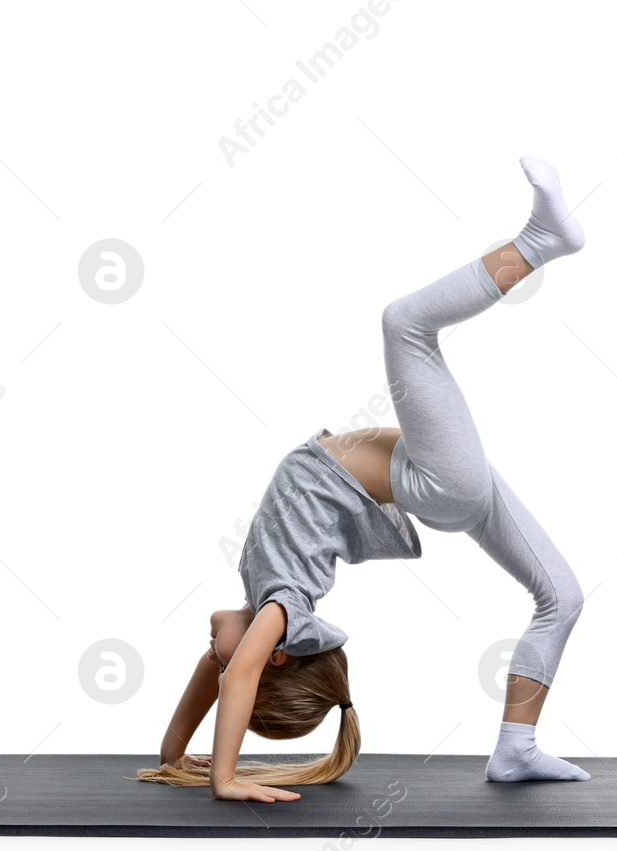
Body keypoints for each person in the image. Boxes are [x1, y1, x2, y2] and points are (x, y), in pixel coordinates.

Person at [137, 157, 590, 803]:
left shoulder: (264, 598)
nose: (211, 653)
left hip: (440, 478)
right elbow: (237, 677)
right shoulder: (282, 603)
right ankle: (542, 242)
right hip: (439, 480)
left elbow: (221, 679)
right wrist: (225, 777)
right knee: (405, 324)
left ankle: (516, 749)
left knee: (562, 597)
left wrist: (175, 753)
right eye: (224, 658)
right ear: (275, 657)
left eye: (214, 659)